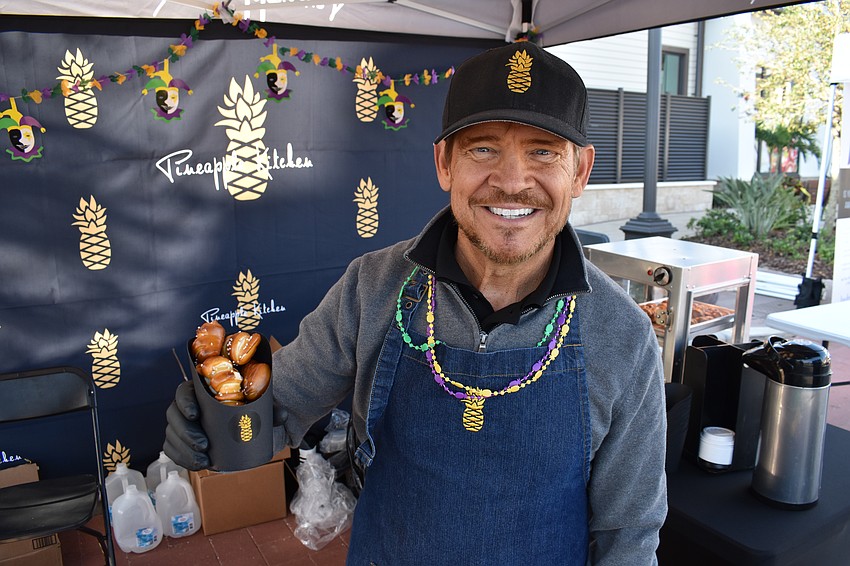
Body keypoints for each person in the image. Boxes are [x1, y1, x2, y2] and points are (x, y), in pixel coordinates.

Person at [165, 41, 667, 565]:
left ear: (580, 172)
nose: (513, 181)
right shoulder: (374, 287)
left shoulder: (622, 334)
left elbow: (629, 532)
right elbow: (277, 416)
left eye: (544, 151)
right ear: (444, 163)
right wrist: (216, 422)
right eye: (482, 148)